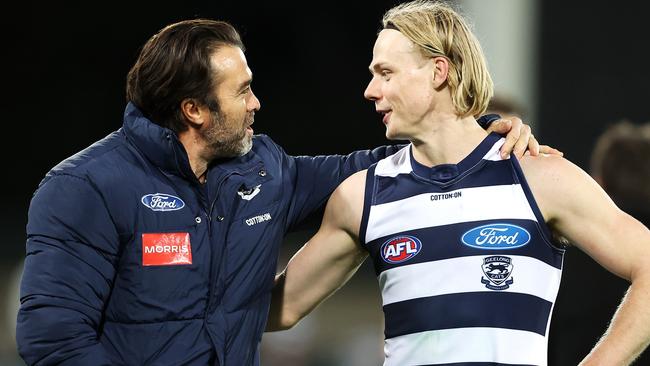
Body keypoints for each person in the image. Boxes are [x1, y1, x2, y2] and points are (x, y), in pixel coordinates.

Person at [15, 18, 544, 366]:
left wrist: (478, 130)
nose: (256, 104)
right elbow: (54, 343)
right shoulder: (84, 187)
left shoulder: (263, 171)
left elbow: (371, 167)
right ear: (193, 111)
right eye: (241, 90)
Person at [266, 1, 650, 365]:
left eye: (386, 73)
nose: (370, 90)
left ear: (438, 71)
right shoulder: (362, 195)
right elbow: (279, 310)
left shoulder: (539, 178)